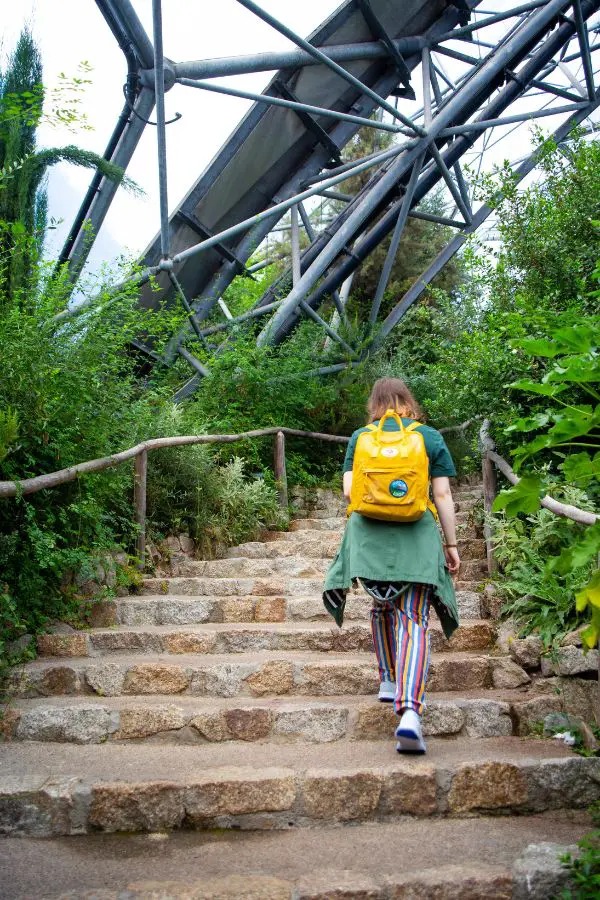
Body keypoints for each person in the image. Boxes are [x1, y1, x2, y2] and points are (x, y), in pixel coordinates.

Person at [322, 377, 461, 755]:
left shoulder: (361, 437)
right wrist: (450, 543)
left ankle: (387, 678)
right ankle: (410, 712)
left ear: (375, 405)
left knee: (381, 602)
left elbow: (350, 491)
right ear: (408, 403)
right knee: (413, 619)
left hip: (367, 537)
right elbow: (443, 493)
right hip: (415, 534)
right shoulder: (429, 437)